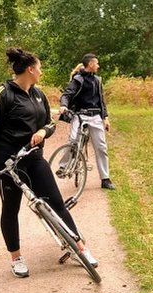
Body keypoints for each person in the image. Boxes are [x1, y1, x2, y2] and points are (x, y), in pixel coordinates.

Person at [0, 47, 98, 278]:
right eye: (39, 68)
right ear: (30, 69)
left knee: (57, 202)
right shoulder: (3, 93)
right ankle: (16, 258)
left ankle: (80, 246)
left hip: (33, 157)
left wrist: (42, 131)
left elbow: (50, 124)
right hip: (7, 162)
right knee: (10, 208)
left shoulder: (38, 94)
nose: (41, 72)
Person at [58, 53, 116, 190]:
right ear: (90, 64)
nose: (98, 65)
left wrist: (105, 118)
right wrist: (63, 105)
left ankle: (105, 179)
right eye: (96, 63)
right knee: (73, 140)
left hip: (95, 116)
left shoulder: (97, 80)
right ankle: (63, 166)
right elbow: (67, 94)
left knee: (101, 147)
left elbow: (102, 101)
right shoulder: (78, 79)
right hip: (80, 115)